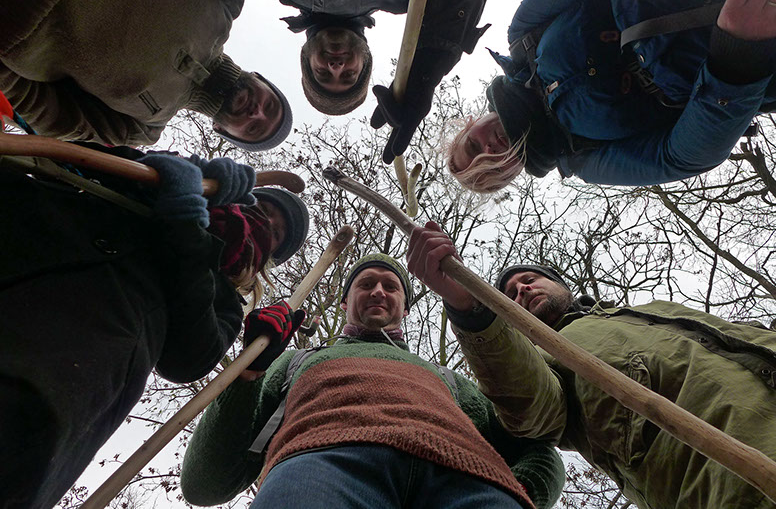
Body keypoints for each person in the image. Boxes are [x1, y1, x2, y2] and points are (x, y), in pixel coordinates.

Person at [0, 147, 309, 509]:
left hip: (60, 371)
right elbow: (72, 153)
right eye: (265, 208)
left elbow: (189, 360)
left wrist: (189, 230)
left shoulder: (223, 301)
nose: (266, 222)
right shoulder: (157, 191)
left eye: (277, 232)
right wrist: (163, 170)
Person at [407, 221, 776, 509]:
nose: (522, 290)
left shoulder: (651, 310)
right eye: (511, 295)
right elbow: (530, 407)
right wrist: (471, 309)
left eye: (529, 280)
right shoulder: (543, 362)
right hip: (736, 484)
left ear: (561, 285)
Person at [180, 253, 565, 509]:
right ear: (344, 303)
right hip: (323, 468)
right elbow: (204, 484)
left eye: (390, 286)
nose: (378, 291)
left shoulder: (449, 379)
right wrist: (248, 373)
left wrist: (521, 491)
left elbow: (536, 446)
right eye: (365, 284)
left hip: (472, 480)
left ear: (405, 308)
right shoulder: (294, 361)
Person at [448, 0, 776, 192]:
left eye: (474, 147)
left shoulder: (524, 36)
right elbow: (680, 156)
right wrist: (737, 58)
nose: (489, 152)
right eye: (490, 171)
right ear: (510, 175)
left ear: (471, 123)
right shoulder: (585, 158)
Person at [222, 0, 503, 161]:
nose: (335, 66)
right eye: (348, 75)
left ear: (306, 57)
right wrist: (431, 64)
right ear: (366, 59)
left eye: (322, 74)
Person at [0, 0, 292, 152]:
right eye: (270, 106)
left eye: (253, 129)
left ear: (222, 131)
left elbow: (49, 114)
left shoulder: (141, 128)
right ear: (260, 78)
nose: (256, 112)